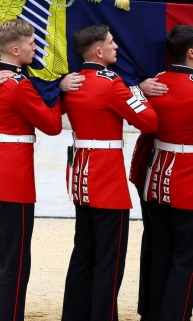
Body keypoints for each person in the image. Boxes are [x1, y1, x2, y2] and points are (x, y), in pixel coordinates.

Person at [0, 19, 62, 321]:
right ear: (16, 49)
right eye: (32, 43)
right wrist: (59, 94)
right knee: (15, 261)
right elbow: (52, 125)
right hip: (12, 177)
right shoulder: (19, 86)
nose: (36, 48)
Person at [59, 24, 158, 321]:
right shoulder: (112, 84)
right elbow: (149, 122)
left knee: (82, 254)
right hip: (106, 180)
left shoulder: (73, 82)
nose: (116, 47)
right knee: (109, 262)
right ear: (98, 51)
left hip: (80, 175)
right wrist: (136, 89)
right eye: (111, 43)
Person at [137, 25, 193, 320]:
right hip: (188, 181)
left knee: (159, 251)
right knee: (185, 258)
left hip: (156, 177)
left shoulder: (154, 83)